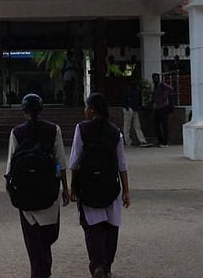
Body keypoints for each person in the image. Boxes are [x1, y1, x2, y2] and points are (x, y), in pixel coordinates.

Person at [6, 93, 70, 278]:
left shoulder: (17, 132)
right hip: (49, 190)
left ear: (24, 111)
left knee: (32, 239)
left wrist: (10, 189)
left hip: (25, 193)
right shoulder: (53, 130)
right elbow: (60, 162)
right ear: (41, 109)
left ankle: (39, 271)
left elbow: (11, 164)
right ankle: (44, 270)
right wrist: (64, 188)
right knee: (48, 236)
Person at [69, 92, 130, 278]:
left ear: (93, 109)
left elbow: (74, 161)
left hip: (88, 187)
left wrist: (72, 187)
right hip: (111, 186)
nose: (85, 110)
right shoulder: (115, 132)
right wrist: (126, 190)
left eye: (87, 107)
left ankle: (97, 265)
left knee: (92, 228)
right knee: (111, 228)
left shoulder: (82, 129)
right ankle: (107, 266)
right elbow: (122, 164)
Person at [122, 80, 151, 147]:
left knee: (135, 126)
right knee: (129, 126)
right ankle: (130, 141)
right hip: (130, 108)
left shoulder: (133, 92)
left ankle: (140, 140)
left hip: (132, 109)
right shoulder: (133, 92)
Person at [151, 72, 175, 147]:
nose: (155, 79)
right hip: (157, 108)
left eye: (157, 78)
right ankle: (160, 140)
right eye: (154, 78)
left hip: (163, 107)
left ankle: (165, 142)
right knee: (156, 125)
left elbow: (171, 89)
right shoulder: (155, 86)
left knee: (164, 125)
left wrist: (166, 97)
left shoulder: (162, 85)